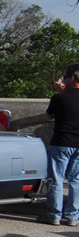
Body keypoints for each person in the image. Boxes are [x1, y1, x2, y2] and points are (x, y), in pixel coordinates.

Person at [38, 63, 79, 226]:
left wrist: (61, 91)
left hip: (62, 142)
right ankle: (72, 217)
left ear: (70, 78)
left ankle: (54, 215)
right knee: (75, 180)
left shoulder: (59, 98)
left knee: (56, 179)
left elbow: (49, 115)